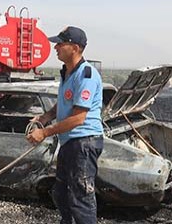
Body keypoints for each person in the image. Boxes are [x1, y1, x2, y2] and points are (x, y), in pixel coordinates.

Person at [26, 26, 103, 224]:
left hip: (84, 143)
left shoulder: (86, 75)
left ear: (75, 47)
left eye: (60, 44)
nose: (56, 48)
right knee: (60, 193)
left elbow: (78, 118)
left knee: (81, 198)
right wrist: (43, 118)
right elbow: (62, 107)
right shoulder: (67, 73)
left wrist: (45, 133)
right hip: (71, 142)